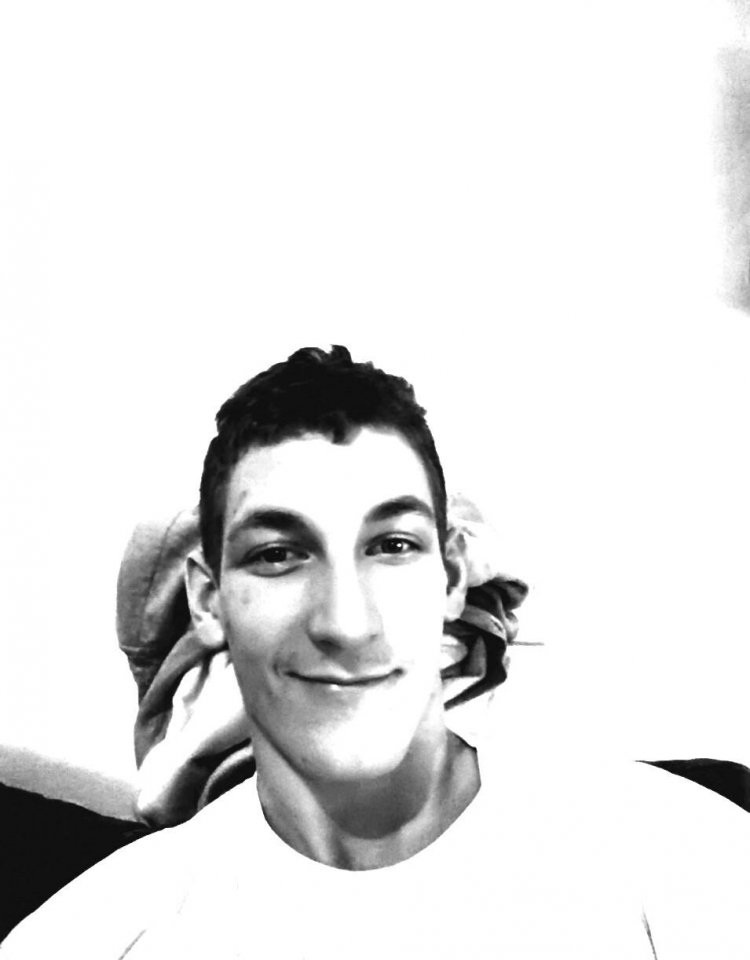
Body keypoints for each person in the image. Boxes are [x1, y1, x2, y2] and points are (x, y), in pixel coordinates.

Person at [2, 346, 749, 958]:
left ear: (451, 578)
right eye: (278, 554)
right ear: (208, 601)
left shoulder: (682, 858)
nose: (346, 622)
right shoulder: (91, 937)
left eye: (392, 546)